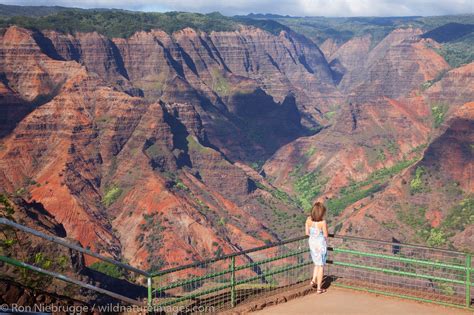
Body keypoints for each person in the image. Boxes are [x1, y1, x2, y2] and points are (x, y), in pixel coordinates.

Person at [305, 202, 328, 294]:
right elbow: (326, 235)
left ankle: (313, 280)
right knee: (321, 265)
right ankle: (319, 288)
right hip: (320, 245)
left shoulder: (308, 220)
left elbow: (307, 233)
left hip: (312, 244)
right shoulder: (323, 222)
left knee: (316, 264)